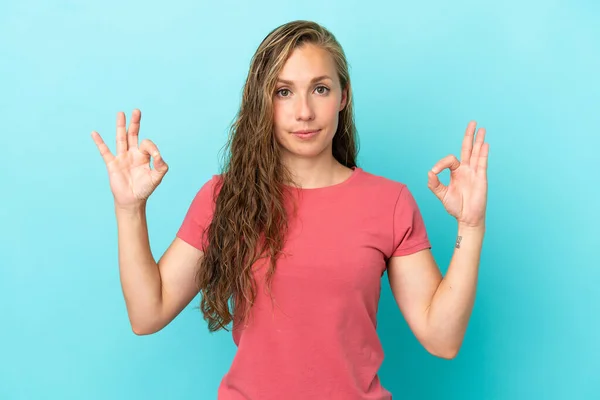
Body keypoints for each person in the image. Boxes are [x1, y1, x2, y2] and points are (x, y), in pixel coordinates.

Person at [91, 20, 489, 400]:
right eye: (284, 92)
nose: (303, 112)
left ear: (343, 96)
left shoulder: (389, 202)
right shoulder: (224, 198)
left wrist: (470, 227)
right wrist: (130, 209)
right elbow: (148, 313)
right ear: (263, 102)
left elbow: (442, 339)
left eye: (319, 89)